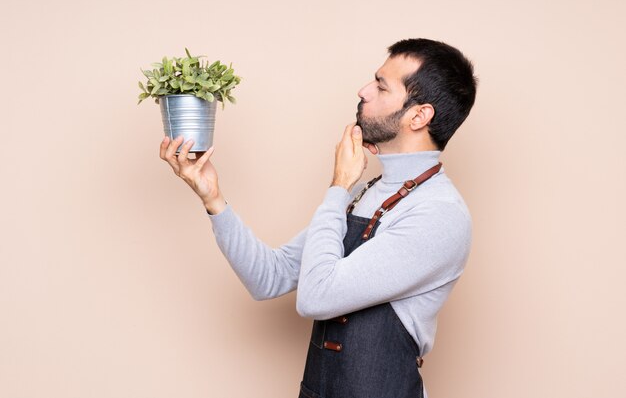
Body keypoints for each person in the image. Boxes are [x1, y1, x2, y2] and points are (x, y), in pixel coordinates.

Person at [159, 38, 478, 398]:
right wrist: (212, 196)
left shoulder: (438, 214)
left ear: (418, 115)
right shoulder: (368, 193)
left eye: (380, 85)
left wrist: (339, 185)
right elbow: (269, 277)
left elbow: (317, 297)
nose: (363, 90)